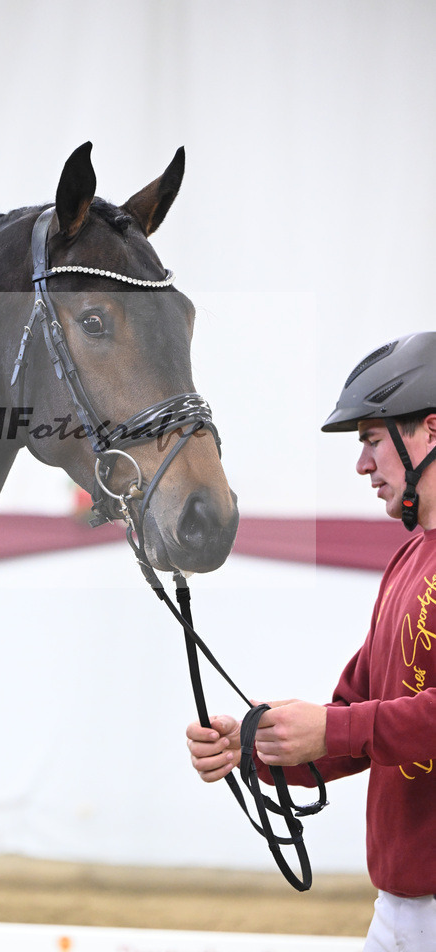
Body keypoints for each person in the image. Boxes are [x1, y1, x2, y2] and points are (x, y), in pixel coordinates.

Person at [186, 332, 436, 952]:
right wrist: (254, 745)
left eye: (372, 440)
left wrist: (335, 730)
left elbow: (349, 729)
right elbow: (352, 720)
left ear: (429, 432)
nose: (362, 465)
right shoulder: (407, 561)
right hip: (398, 909)